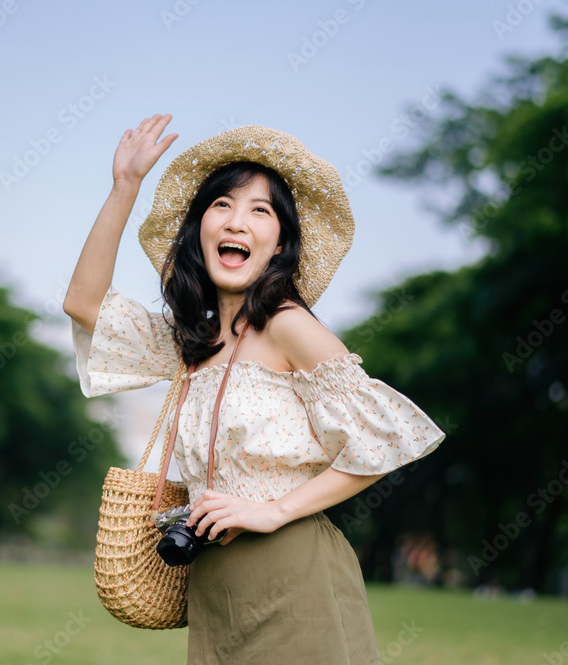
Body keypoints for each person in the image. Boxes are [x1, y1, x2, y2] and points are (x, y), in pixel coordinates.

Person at [63, 113, 446, 664]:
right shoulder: (190, 340)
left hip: (293, 572)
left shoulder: (289, 324)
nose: (236, 221)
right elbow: (84, 304)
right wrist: (125, 187)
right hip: (214, 583)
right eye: (222, 205)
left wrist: (274, 511)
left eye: (259, 210)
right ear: (200, 229)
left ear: (279, 242)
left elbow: (381, 443)